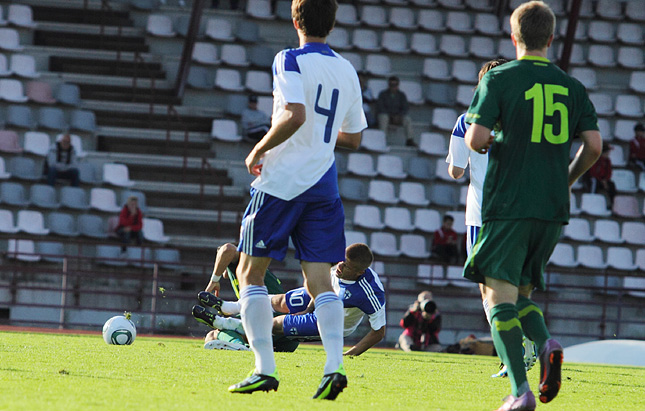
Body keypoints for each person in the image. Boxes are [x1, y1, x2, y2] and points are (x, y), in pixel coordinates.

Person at [463, 2, 602, 410]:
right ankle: (548, 344)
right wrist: (566, 178)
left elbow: (475, 139)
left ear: (513, 37)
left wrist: (489, 139)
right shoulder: (572, 87)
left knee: (495, 298)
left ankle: (521, 391)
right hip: (553, 208)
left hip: (511, 202)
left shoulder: (501, 78)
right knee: (521, 296)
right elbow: (593, 147)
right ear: (552, 38)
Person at [230, 0, 366, 400]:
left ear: (295, 21)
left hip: (282, 182)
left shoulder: (287, 59)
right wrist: (321, 139)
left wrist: (258, 149)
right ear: (333, 23)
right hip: (323, 185)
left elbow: (294, 114)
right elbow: (354, 138)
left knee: (249, 274)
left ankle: (263, 369)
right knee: (322, 282)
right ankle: (333, 367)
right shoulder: (346, 69)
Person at [447, 58, 537, 379]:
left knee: (488, 290)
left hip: (482, 216)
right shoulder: (524, 120)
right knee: (514, 285)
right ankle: (526, 341)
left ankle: (515, 349)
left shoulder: (465, 122)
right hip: (519, 213)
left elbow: (456, 172)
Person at [194, 243, 385, 357]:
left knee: (276, 323)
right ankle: (228, 308)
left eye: (347, 265)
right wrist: (307, 309)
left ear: (360, 272)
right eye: (341, 260)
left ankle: (225, 322)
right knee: (281, 301)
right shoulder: (338, 266)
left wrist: (352, 353)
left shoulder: (369, 292)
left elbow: (379, 331)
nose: (340, 266)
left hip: (328, 322)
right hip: (318, 302)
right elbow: (319, 288)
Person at [194, 242, 300, 353]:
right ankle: (241, 343)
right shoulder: (252, 271)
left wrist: (214, 280)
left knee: (213, 335)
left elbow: (227, 249)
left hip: (268, 317)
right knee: (219, 335)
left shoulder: (240, 262)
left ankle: (240, 346)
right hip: (287, 335)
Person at [376, 75, 416, 147]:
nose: (393, 87)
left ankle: (409, 139)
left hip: (398, 117)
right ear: (389, 85)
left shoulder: (402, 95)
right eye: (391, 85)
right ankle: (382, 139)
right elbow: (380, 107)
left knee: (407, 119)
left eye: (395, 85)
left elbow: (405, 107)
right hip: (387, 116)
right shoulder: (382, 94)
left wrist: (399, 116)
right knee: (383, 117)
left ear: (398, 85)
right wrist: (391, 116)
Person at [582, 142, 616, 207]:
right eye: (608, 151)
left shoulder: (607, 161)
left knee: (611, 185)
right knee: (594, 181)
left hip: (602, 180)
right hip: (592, 179)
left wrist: (605, 180)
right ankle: (591, 200)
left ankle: (612, 204)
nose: (609, 153)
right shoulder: (595, 159)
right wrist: (601, 180)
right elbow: (593, 173)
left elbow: (609, 172)